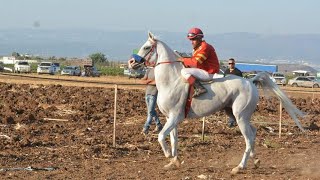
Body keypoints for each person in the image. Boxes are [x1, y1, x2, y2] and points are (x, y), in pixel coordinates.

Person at [180, 27, 220, 97]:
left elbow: (196, 62)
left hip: (209, 73)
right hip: (204, 71)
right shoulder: (198, 48)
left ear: (199, 38)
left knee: (184, 71)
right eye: (190, 39)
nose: (191, 42)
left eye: (193, 39)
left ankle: (199, 88)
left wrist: (183, 59)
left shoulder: (204, 47)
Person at [141, 67, 163, 135]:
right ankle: (159, 125)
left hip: (154, 94)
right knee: (151, 111)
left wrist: (148, 81)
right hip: (147, 94)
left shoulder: (159, 71)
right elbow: (142, 81)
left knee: (150, 111)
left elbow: (158, 82)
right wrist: (150, 81)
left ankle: (146, 128)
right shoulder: (149, 70)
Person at [223, 58, 243, 127]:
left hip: (235, 93)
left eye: (232, 63)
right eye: (229, 63)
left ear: (234, 64)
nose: (231, 65)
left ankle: (232, 121)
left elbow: (241, 82)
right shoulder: (226, 71)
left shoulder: (238, 72)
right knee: (227, 108)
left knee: (234, 107)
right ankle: (233, 120)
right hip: (227, 92)